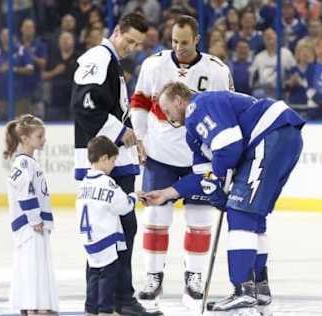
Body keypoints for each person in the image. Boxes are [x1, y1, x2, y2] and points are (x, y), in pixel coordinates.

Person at [143, 82, 305, 313]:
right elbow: (204, 176)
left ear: (179, 100)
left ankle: (243, 291)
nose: (169, 118)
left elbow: (228, 147)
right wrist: (168, 193)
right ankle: (259, 289)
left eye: (167, 111)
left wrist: (220, 183)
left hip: (270, 135)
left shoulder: (198, 107)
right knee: (254, 219)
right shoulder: (194, 133)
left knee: (240, 213)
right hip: (282, 136)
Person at [130, 14, 233, 307]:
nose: (178, 47)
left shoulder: (216, 70)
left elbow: (227, 111)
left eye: (185, 43)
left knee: (200, 220)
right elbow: (138, 102)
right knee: (155, 217)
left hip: (199, 159)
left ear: (197, 39)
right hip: (159, 156)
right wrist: (140, 139)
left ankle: (194, 276)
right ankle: (153, 276)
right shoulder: (153, 64)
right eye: (174, 41)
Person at [71, 13, 161, 316]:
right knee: (114, 230)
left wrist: (129, 140)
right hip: (103, 161)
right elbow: (85, 106)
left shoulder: (111, 60)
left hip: (114, 159)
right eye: (130, 40)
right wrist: (122, 134)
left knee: (117, 230)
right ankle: (115, 301)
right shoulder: (99, 57)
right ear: (117, 31)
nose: (133, 47)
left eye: (138, 44)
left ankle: (106, 302)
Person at [77, 136, 140, 316]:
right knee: (108, 274)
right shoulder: (107, 183)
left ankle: (90, 309)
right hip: (106, 238)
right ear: (104, 158)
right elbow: (124, 206)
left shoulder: (83, 185)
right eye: (113, 161)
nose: (113, 165)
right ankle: (105, 310)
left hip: (89, 238)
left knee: (93, 274)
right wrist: (135, 196)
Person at [3, 114, 59, 316]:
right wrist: (35, 218)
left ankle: (34, 306)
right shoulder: (24, 164)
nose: (44, 139)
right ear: (25, 139)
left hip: (31, 224)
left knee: (32, 266)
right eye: (40, 136)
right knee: (32, 267)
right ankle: (35, 306)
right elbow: (24, 191)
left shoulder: (27, 162)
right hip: (30, 225)